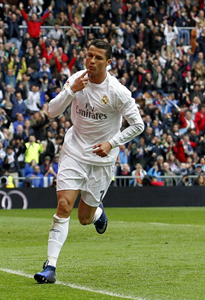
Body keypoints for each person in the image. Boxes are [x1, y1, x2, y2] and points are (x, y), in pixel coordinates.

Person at [34, 39, 144, 284]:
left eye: (98, 58)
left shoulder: (117, 91)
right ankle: (50, 267)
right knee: (63, 205)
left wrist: (112, 143)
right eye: (89, 56)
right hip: (74, 150)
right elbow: (51, 111)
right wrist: (70, 90)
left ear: (108, 63)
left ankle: (96, 214)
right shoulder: (76, 80)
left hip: (101, 158)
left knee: (83, 217)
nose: (92, 61)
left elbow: (138, 125)